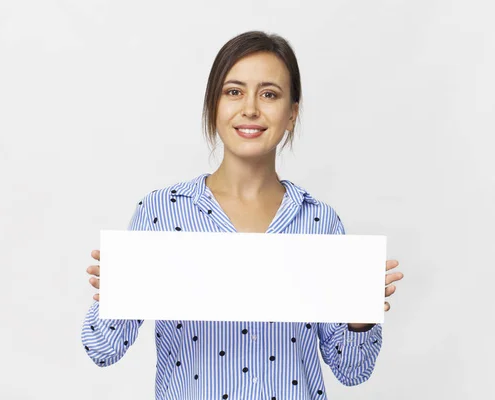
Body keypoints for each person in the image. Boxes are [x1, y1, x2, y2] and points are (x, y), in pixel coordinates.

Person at [82, 30, 404, 400]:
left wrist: (359, 319)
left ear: (292, 114)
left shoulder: (319, 222)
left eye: (269, 94)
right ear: (213, 106)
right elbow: (102, 350)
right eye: (233, 91)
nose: (250, 108)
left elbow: (353, 372)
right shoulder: (161, 212)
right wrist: (118, 293)